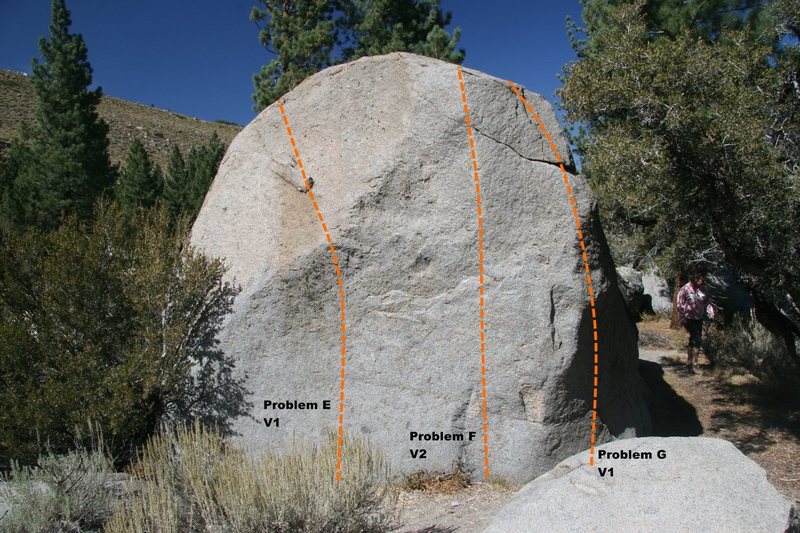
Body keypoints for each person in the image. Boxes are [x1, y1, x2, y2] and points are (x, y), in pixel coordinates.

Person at [677, 271, 714, 374]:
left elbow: (707, 301)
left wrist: (710, 311)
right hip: (688, 318)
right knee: (696, 338)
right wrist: (682, 318)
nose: (702, 281)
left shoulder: (704, 288)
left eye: (703, 279)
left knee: (694, 339)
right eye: (700, 279)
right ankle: (695, 364)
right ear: (695, 278)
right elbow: (679, 304)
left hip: (699, 317)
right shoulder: (685, 289)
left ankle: (689, 363)